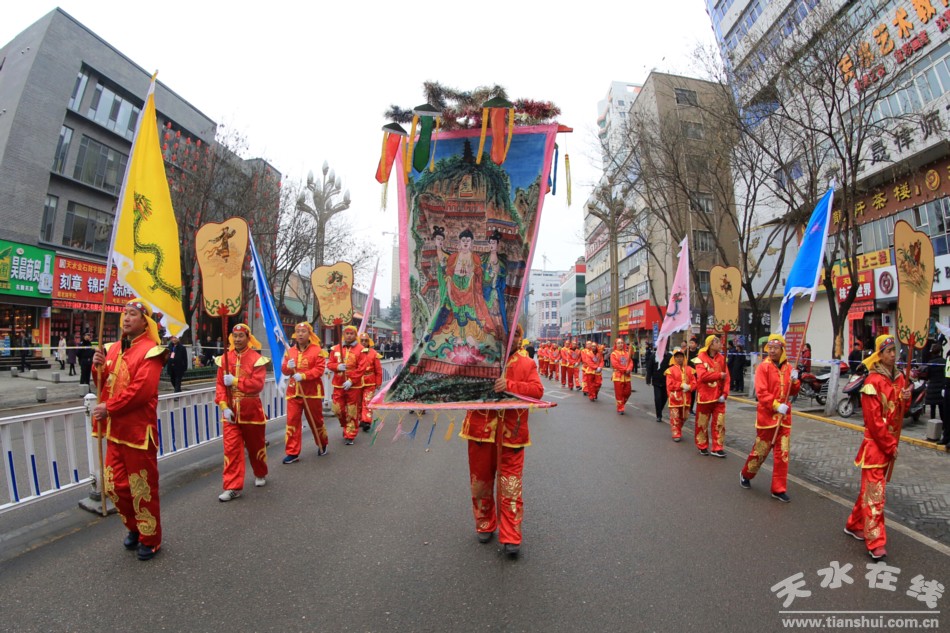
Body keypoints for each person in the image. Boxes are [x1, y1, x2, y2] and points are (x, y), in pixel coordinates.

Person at [91, 299, 168, 561]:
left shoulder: (152, 351)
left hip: (138, 433)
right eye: (124, 313)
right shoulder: (113, 348)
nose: (126, 318)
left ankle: (150, 538)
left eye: (132, 314)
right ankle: (135, 527)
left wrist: (109, 407)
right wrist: (97, 366)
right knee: (114, 485)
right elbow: (103, 382)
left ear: (145, 322)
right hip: (116, 431)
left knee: (142, 488)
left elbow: (141, 391)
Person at [460, 324, 542, 557]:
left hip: (512, 435)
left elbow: (537, 391)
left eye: (516, 334)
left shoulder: (527, 363)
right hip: (480, 431)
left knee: (510, 486)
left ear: (520, 339)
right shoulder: (479, 359)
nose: (511, 338)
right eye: (506, 334)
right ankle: (485, 523)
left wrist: (510, 386)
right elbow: (463, 388)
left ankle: (511, 535)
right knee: (481, 483)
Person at [845, 335, 909, 560]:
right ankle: (876, 542)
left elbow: (900, 410)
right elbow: (873, 421)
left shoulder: (899, 377)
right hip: (875, 447)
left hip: (889, 444)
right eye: (888, 351)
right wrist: (889, 445)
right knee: (875, 496)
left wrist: (906, 397)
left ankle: (854, 524)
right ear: (879, 354)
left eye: (894, 350)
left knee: (870, 491)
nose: (892, 354)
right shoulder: (872, 382)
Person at [739, 334, 801, 501]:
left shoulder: (788, 368)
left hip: (784, 419)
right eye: (770, 348)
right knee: (760, 452)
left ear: (782, 349)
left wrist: (795, 381)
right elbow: (761, 392)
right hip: (767, 418)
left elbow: (793, 391)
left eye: (775, 348)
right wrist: (775, 405)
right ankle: (746, 474)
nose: (772, 351)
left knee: (783, 454)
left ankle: (778, 489)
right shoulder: (763, 367)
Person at [215, 324, 270, 501]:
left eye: (241, 336)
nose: (237, 339)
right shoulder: (224, 359)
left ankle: (260, 472)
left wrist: (235, 381)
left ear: (248, 337)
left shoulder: (256, 359)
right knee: (231, 449)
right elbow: (220, 386)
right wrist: (224, 407)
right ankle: (232, 487)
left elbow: (257, 385)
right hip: (231, 413)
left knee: (256, 447)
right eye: (235, 336)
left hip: (252, 411)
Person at [281, 322, 328, 463]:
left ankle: (322, 443)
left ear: (309, 334)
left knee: (316, 421)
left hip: (311, 392)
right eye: (298, 331)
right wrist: (288, 367)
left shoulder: (317, 350)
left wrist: (304, 375)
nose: (300, 334)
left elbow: (319, 369)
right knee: (292, 421)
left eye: (303, 331)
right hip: (294, 392)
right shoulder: (290, 351)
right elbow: (284, 370)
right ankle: (292, 452)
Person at [692, 335, 730, 458]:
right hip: (705, 396)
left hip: (719, 397)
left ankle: (717, 447)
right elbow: (702, 376)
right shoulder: (700, 358)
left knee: (719, 423)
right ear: (711, 344)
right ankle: (702, 445)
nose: (720, 344)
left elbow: (727, 377)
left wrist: (725, 393)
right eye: (717, 342)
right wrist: (719, 375)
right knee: (702, 423)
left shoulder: (722, 358)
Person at [331, 325, 367, 445]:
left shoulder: (361, 349)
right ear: (343, 335)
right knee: (337, 409)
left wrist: (351, 380)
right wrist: (337, 366)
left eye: (351, 334)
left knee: (352, 410)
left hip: (353, 385)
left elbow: (361, 368)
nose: (349, 336)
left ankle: (350, 434)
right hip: (338, 384)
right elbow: (329, 364)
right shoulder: (336, 348)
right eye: (347, 333)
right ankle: (345, 425)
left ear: (355, 335)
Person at [665, 347, 696, 441]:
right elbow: (670, 385)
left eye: (681, 357)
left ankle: (678, 429)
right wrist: (681, 385)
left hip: (686, 399)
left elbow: (694, 382)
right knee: (675, 417)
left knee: (684, 417)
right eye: (677, 357)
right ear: (674, 358)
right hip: (674, 398)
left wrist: (690, 387)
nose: (679, 359)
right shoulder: (670, 370)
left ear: (684, 357)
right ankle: (676, 434)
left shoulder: (690, 369)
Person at [358, 333, 383, 432]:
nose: (364, 342)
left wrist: (378, 382)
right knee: (359, 402)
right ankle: (361, 419)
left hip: (370, 381)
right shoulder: (355, 352)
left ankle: (366, 421)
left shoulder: (374, 353)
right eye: (362, 340)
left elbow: (378, 370)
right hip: (357, 381)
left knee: (367, 401)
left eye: (366, 341)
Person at [646, 346, 672, 424]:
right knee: (658, 398)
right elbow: (649, 368)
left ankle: (659, 409)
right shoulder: (653, 356)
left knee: (664, 398)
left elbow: (673, 368)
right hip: (656, 381)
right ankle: (659, 415)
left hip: (666, 381)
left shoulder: (670, 356)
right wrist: (648, 379)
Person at [610, 338, 634, 414]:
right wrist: (625, 369)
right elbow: (615, 364)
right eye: (619, 343)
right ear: (616, 345)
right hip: (618, 376)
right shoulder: (613, 354)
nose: (620, 344)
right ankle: (620, 408)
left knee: (628, 392)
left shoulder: (627, 353)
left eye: (621, 343)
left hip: (626, 376)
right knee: (619, 393)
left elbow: (630, 362)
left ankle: (621, 403)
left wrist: (629, 369)